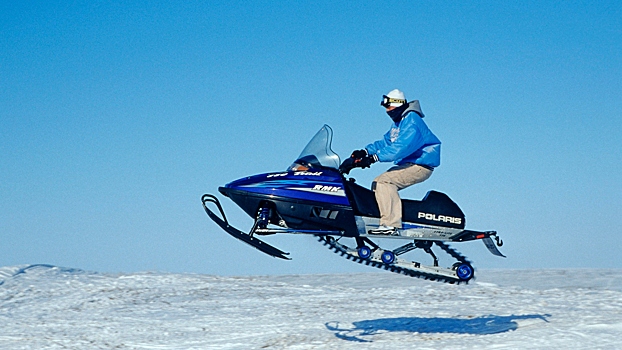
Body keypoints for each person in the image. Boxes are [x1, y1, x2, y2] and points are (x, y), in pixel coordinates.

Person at [344, 89, 441, 235]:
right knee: (377, 183)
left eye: (389, 107)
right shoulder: (400, 122)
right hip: (410, 164)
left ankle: (391, 225)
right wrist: (364, 152)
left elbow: (401, 147)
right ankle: (380, 220)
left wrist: (372, 159)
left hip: (420, 165)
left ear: (398, 104)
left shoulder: (412, 121)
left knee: (385, 182)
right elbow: (386, 142)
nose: (387, 111)